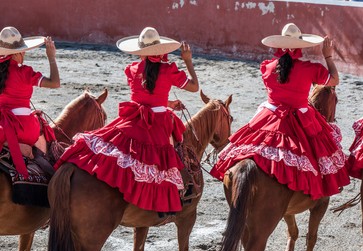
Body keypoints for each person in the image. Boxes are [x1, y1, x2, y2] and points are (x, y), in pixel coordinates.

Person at [54, 27, 199, 213]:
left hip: (133, 117)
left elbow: (143, 96)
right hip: (159, 121)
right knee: (171, 153)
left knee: (112, 147)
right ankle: (169, 199)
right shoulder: (168, 70)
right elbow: (194, 87)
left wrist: (168, 103)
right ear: (161, 49)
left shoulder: (131, 69)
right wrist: (188, 61)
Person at [210, 23, 350, 199]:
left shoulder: (267, 67)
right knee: (318, 150)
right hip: (299, 115)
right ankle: (318, 187)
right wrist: (328, 56)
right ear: (301, 46)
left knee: (249, 139)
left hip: (269, 114)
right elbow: (334, 80)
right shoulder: (310, 68)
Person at [0, 26, 60, 179]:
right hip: (23, 128)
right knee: (42, 127)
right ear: (19, 52)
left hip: (2, 125)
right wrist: (51, 57)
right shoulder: (24, 71)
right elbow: (55, 83)